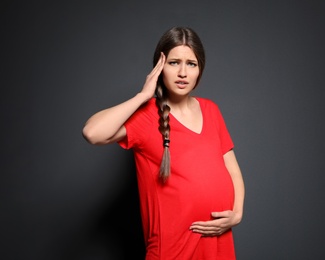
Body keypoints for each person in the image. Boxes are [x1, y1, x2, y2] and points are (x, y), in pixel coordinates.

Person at [82, 27, 245, 259]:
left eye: (191, 64)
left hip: (218, 240)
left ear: (200, 70)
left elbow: (233, 170)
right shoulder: (148, 115)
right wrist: (142, 96)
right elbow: (92, 132)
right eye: (173, 62)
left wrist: (237, 213)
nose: (182, 72)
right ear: (159, 67)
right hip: (174, 248)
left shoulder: (211, 109)